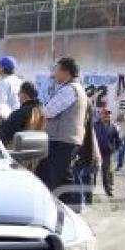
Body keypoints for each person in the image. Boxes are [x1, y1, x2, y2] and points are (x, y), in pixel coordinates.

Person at [37, 57, 87, 199]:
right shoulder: (75, 88)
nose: (54, 74)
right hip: (66, 139)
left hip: (63, 140)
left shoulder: (69, 90)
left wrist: (39, 108)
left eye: (56, 70)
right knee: (62, 176)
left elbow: (49, 111)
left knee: (57, 178)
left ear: (66, 72)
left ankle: (68, 209)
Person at [0, 81, 44, 147]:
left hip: (17, 149)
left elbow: (6, 134)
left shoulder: (19, 114)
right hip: (35, 147)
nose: (18, 95)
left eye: (19, 92)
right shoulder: (41, 110)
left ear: (24, 94)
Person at [93, 109, 121, 197]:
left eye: (109, 114)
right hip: (96, 152)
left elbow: (118, 140)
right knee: (94, 171)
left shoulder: (113, 126)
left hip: (107, 153)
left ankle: (107, 189)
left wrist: (114, 148)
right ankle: (90, 190)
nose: (107, 115)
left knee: (106, 172)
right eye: (105, 114)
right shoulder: (94, 125)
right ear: (100, 114)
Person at [0, 56, 23, 126]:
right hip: (17, 119)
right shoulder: (19, 81)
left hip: (3, 122)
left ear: (2, 68)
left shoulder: (3, 83)